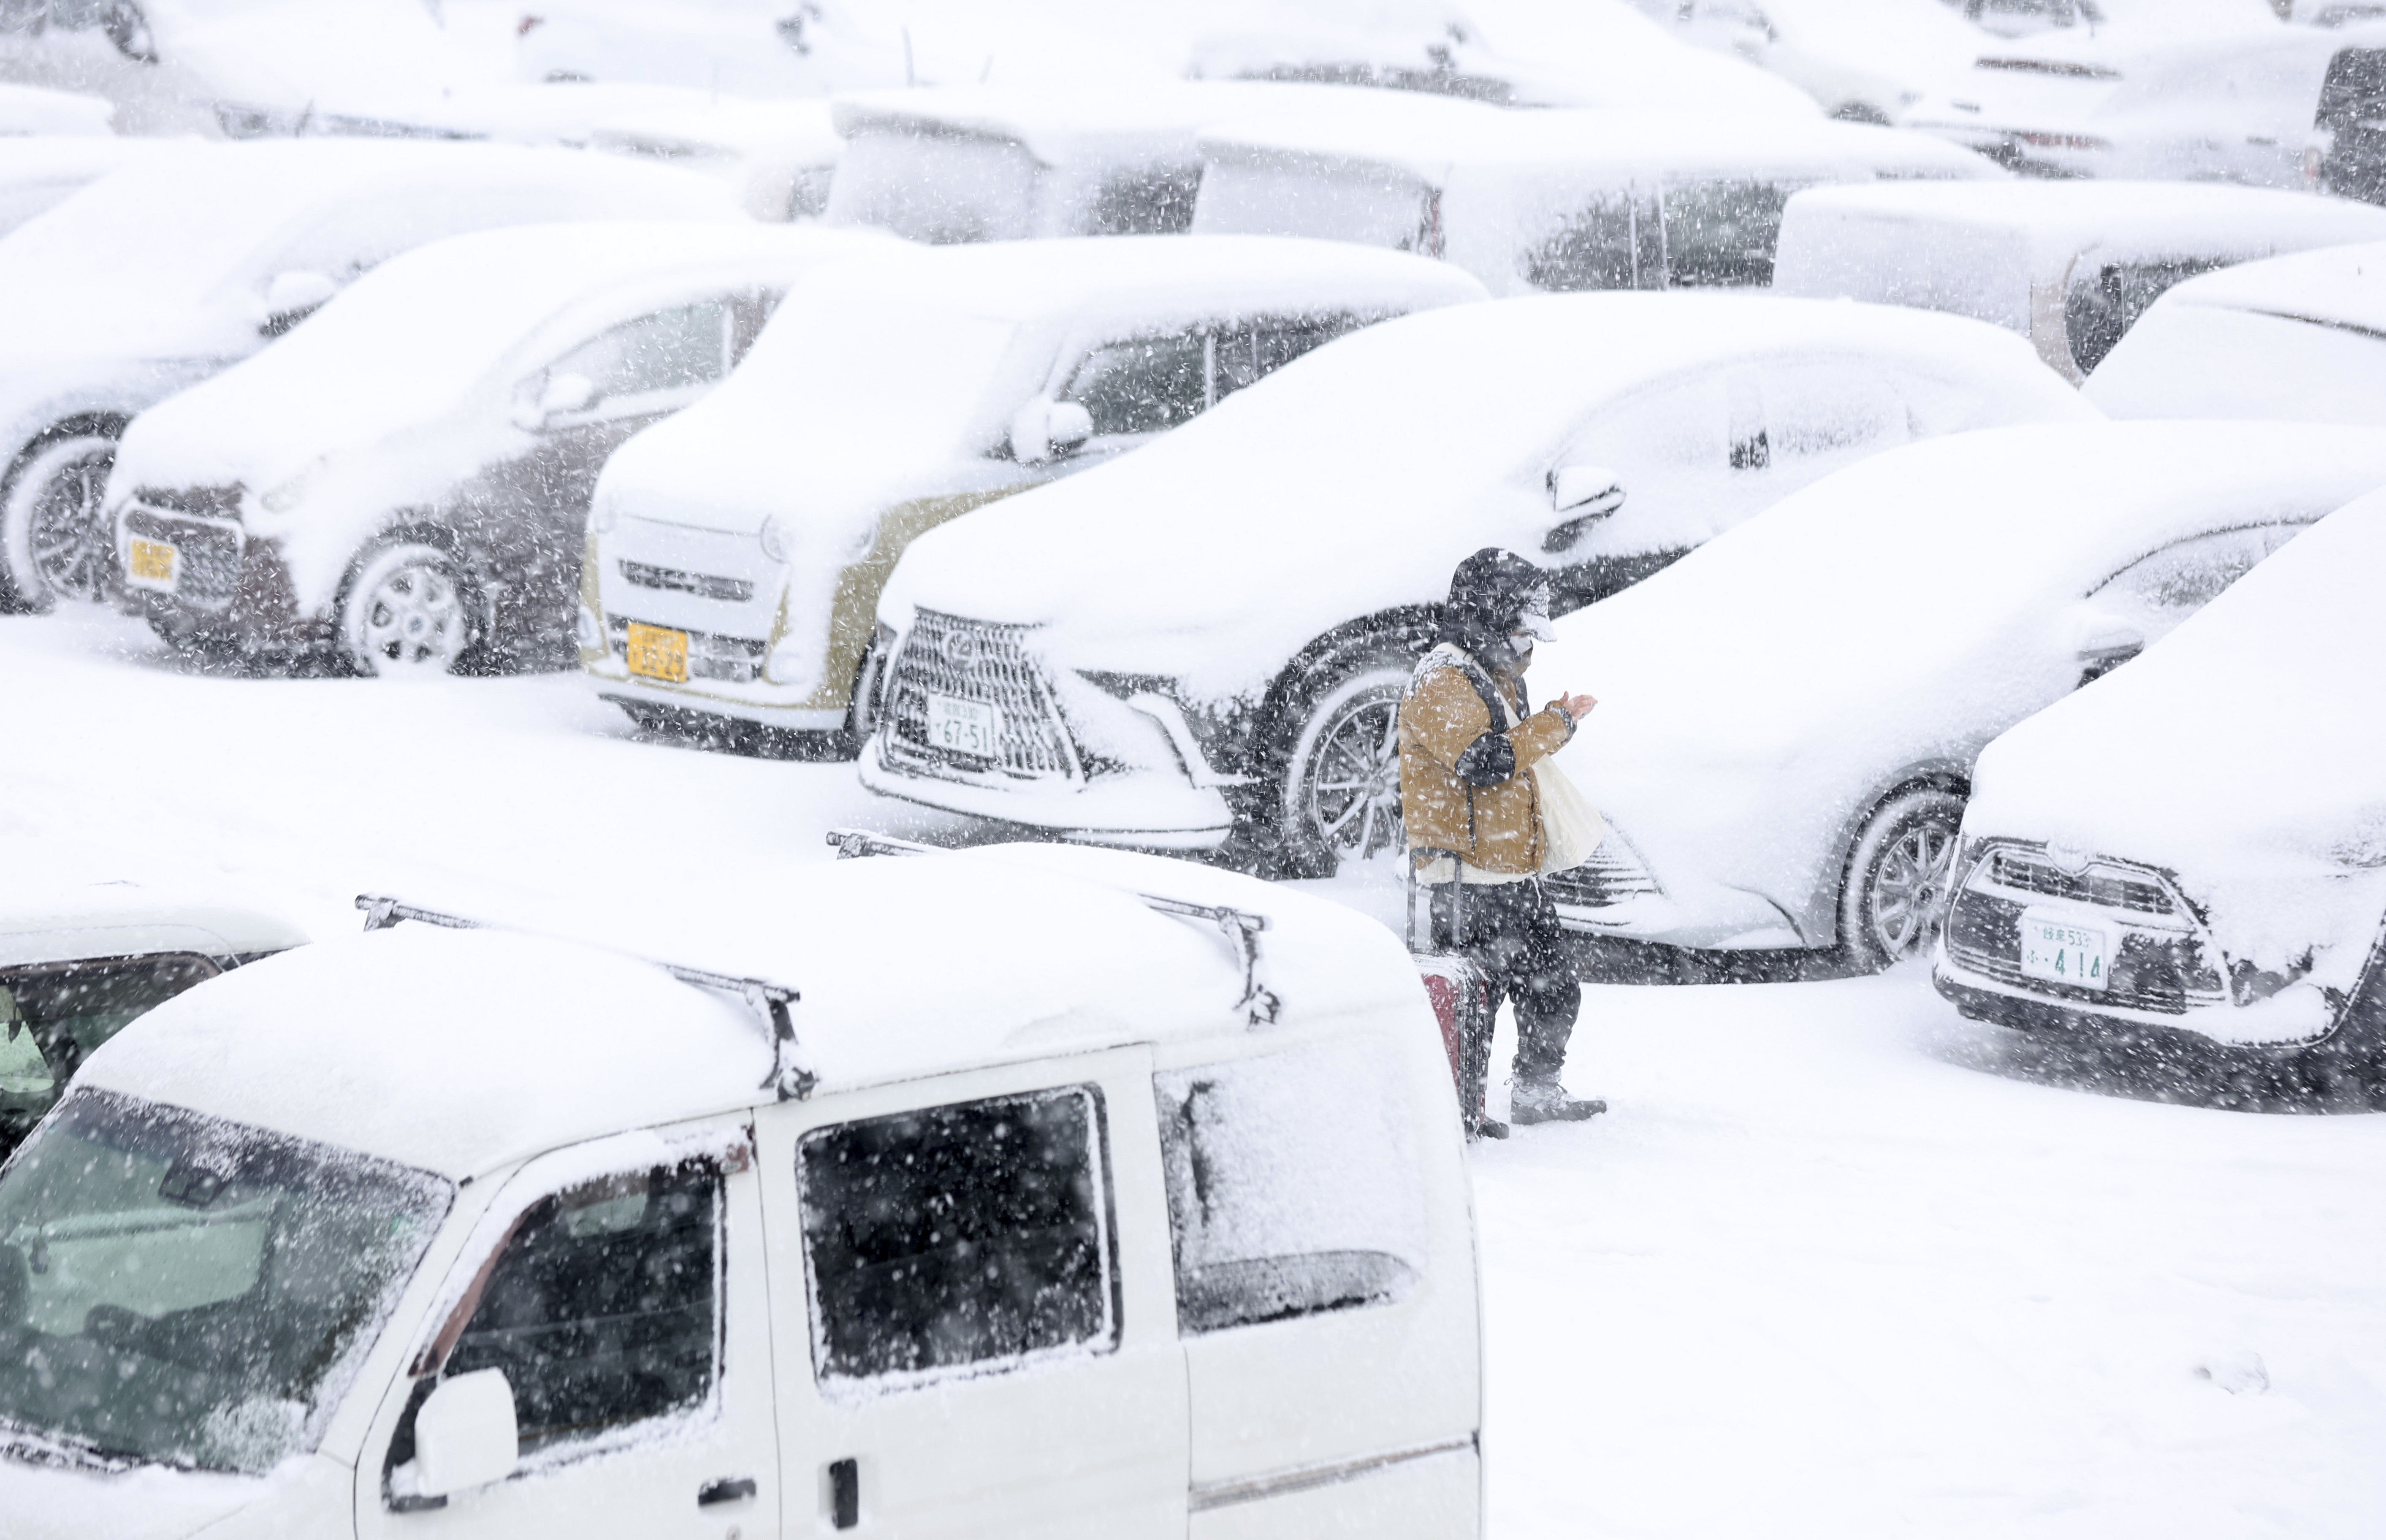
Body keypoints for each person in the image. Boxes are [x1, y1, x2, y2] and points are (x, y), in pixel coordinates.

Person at [1399, 548, 1605, 1128]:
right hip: (1467, 878)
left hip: (1515, 868)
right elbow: (1484, 761)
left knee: (1554, 988)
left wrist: (1547, 721)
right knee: (1474, 1006)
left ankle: (1538, 1091)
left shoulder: (1492, 677)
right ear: (1486, 617)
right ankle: (1453, 1114)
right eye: (1519, 629)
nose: (1526, 645)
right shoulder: (1441, 680)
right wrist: (1556, 724)